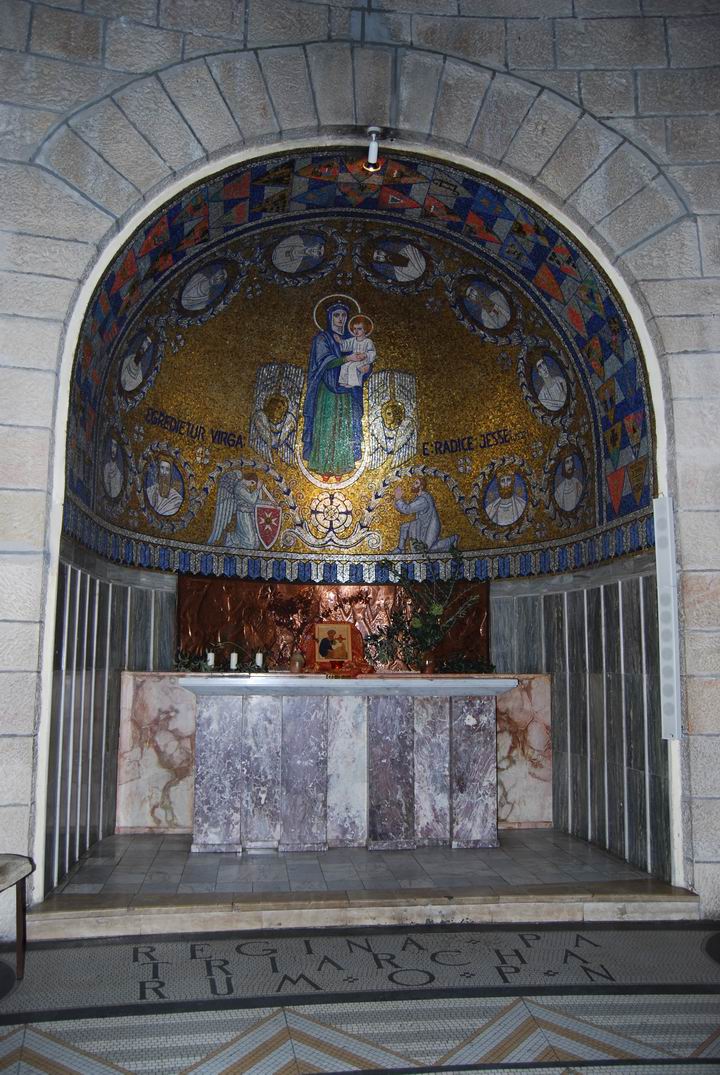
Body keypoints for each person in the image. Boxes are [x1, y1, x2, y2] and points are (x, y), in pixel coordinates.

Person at [302, 302, 367, 477]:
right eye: (337, 315)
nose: (340, 319)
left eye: (344, 316)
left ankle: (341, 467)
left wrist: (365, 367)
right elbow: (324, 361)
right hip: (327, 390)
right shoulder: (322, 338)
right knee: (326, 426)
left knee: (343, 427)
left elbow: (362, 362)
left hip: (346, 390)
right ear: (330, 317)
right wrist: (346, 359)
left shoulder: (352, 341)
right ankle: (323, 466)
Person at [391, 477, 458, 553]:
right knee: (404, 527)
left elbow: (407, 509)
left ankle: (451, 540)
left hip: (430, 526)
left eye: (416, 483)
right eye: (414, 483)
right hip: (422, 524)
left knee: (426, 549)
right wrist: (398, 500)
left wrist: (399, 499)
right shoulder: (419, 497)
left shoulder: (423, 500)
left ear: (421, 487)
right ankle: (400, 549)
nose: (413, 485)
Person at [338, 314, 377, 388]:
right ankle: (343, 382)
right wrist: (340, 341)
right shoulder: (353, 340)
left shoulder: (368, 341)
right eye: (354, 328)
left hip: (364, 360)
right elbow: (345, 345)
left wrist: (365, 355)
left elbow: (372, 353)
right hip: (355, 359)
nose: (356, 331)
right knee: (344, 365)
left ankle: (354, 383)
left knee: (352, 367)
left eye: (359, 329)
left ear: (365, 330)